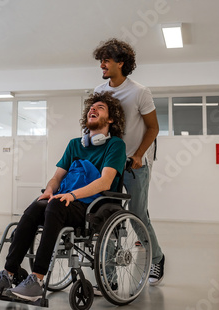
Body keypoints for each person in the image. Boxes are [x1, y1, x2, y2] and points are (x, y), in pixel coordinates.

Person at [0, 91, 126, 302]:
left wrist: (72, 195)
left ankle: (36, 279)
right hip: (63, 201)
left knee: (55, 206)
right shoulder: (75, 144)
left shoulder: (115, 145)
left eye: (100, 108)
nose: (93, 109)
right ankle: (8, 273)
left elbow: (105, 182)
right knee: (37, 206)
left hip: (91, 206)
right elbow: (57, 177)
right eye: (91, 108)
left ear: (111, 119)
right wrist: (49, 191)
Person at [92, 38, 165, 285]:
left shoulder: (139, 92)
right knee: (107, 216)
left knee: (137, 214)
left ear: (121, 63)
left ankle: (156, 259)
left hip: (135, 164)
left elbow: (153, 128)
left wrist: (138, 155)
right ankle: (109, 275)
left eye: (106, 60)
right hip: (108, 165)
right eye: (101, 60)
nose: (101, 64)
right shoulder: (99, 93)